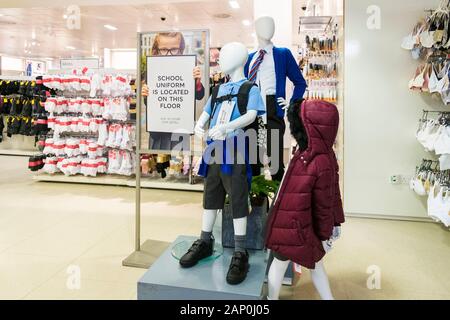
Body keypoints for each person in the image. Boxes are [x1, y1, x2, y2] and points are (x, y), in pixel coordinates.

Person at [265, 99, 344, 300]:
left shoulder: (313, 160)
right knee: (314, 265)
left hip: (295, 226)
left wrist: (327, 231)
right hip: (296, 222)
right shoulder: (315, 155)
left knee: (281, 263)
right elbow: (330, 196)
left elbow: (325, 202)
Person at [141, 32, 205, 177]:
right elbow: (149, 102)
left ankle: (183, 173)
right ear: (156, 50)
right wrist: (146, 93)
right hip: (158, 127)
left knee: (180, 161)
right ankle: (160, 172)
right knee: (159, 163)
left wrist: (197, 82)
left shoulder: (189, 66)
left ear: (181, 49)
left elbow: (199, 95)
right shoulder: (153, 69)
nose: (169, 54)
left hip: (180, 125)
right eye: (164, 49)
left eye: (174, 49)